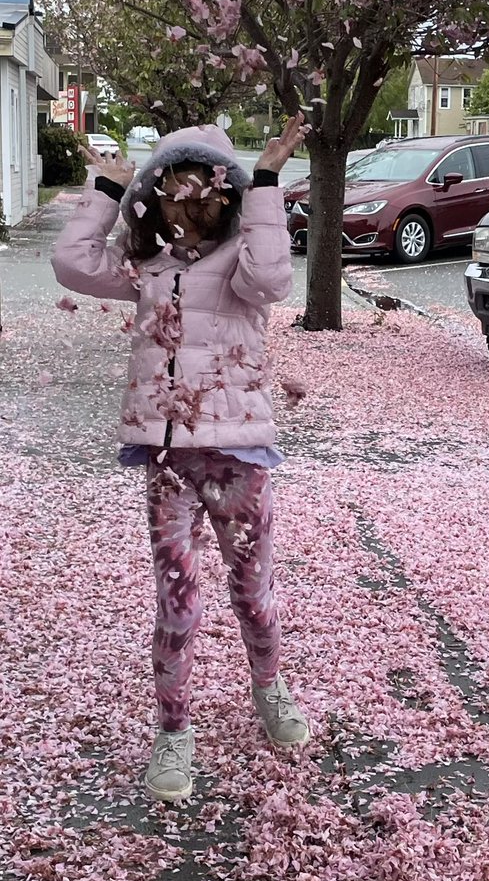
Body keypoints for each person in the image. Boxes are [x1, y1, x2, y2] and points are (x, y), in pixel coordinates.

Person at [52, 116, 310, 803]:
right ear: (153, 197)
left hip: (237, 457)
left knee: (251, 594)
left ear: (222, 196)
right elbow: (73, 263)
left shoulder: (240, 269)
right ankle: (173, 732)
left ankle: (269, 688)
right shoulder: (147, 270)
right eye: (168, 190)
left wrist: (265, 180)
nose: (183, 203)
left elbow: (274, 277)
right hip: (167, 459)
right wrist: (105, 187)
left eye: (199, 190)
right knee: (175, 602)